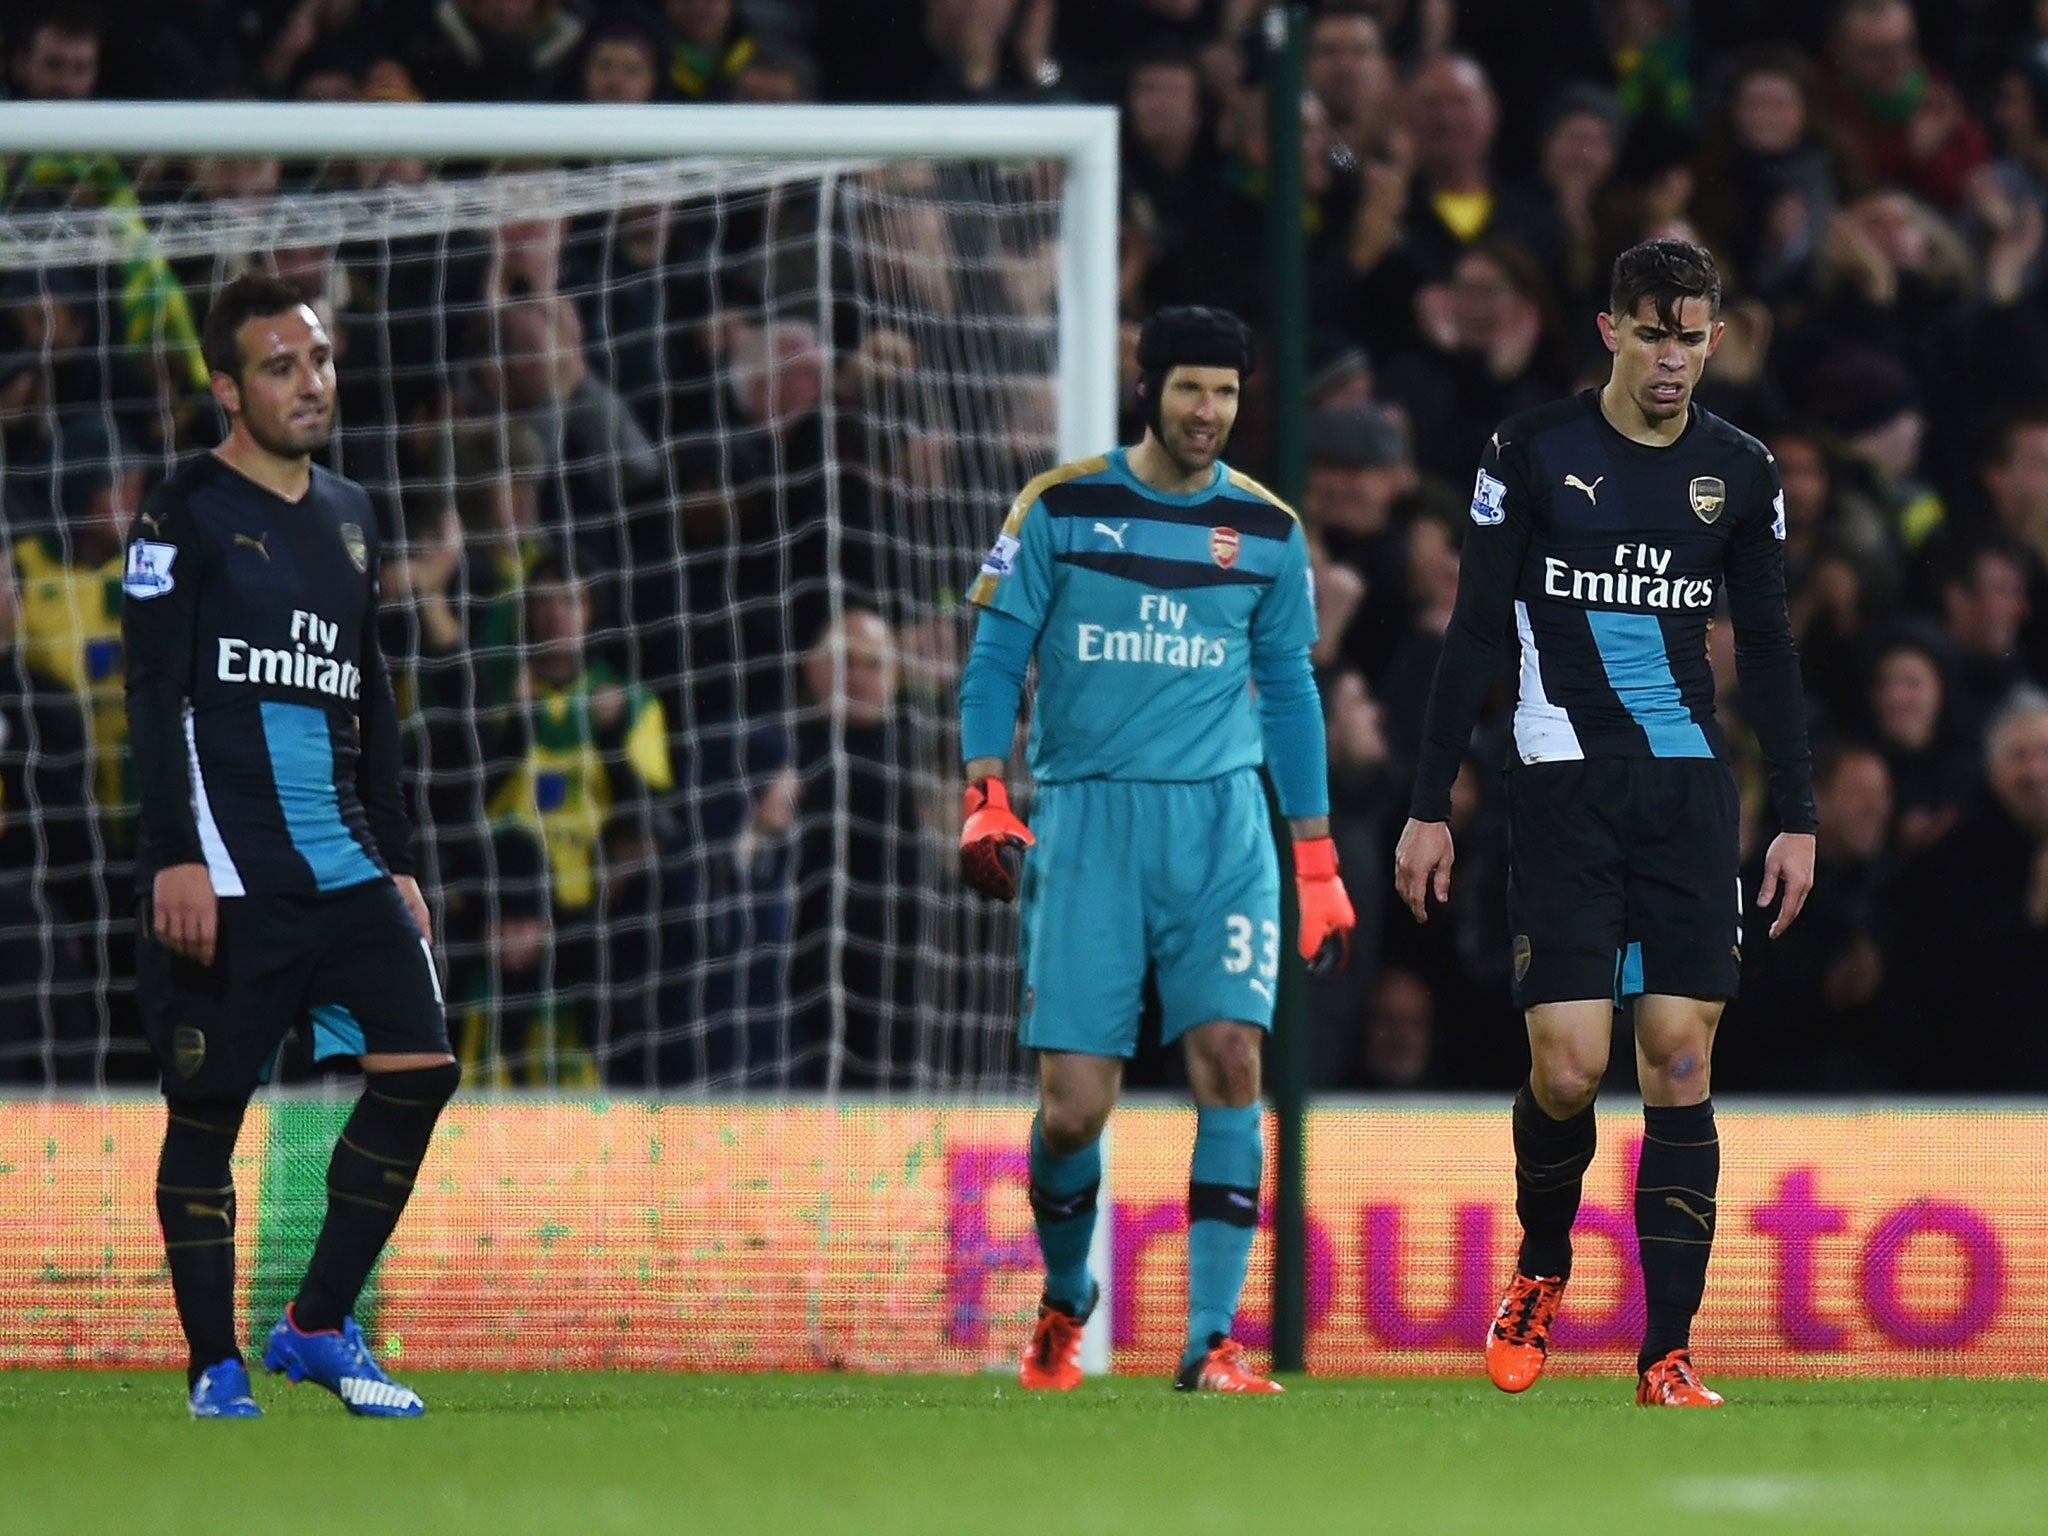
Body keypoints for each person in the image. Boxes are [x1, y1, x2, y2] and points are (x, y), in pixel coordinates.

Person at [1393, 239, 1817, 1408]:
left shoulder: (1738, 470)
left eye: (1689, 334)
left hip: (1685, 791)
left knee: (1678, 1058)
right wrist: (1427, 805)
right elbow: (1474, 629)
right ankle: (1538, 1262)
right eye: (1649, 331)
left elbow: (1769, 649)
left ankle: (1666, 1352)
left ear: (1714, 339)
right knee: (1570, 1068)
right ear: (1609, 332)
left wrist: (1797, 815)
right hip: (1562, 784)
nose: (1669, 355)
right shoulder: (1529, 450)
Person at [956, 306, 1356, 1393]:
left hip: (1219, 828)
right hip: (1085, 824)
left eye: (1225, 392)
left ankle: (1210, 1338)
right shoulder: (1060, 506)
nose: (1207, 411)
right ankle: (1064, 1292)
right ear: (1149, 389)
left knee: (1231, 1060)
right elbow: (995, 662)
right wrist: (984, 788)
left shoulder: (1265, 531)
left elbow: (1287, 691)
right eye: (1189, 388)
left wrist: (1313, 859)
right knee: (1074, 1105)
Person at [122, 274, 458, 1420]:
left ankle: (313, 1326)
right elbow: (151, 688)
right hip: (226, 863)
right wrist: (174, 853)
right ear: (227, 388)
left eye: (317, 360)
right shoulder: (180, 512)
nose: (309, 383)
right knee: (208, 1110)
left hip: (345, 858)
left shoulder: (355, 514)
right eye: (279, 366)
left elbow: (371, 694)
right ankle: (214, 1366)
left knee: (423, 1067)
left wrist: (399, 853)